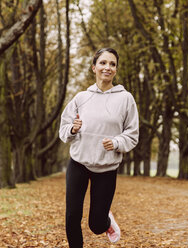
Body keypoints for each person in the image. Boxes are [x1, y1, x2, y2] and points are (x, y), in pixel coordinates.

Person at [59, 47, 139, 247]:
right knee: (72, 216)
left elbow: (132, 133)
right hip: (79, 163)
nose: (107, 67)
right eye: (103, 63)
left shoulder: (125, 98)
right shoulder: (81, 98)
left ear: (116, 70)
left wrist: (116, 142)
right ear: (94, 67)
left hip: (107, 167)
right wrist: (73, 130)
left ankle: (106, 220)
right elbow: (64, 130)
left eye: (112, 64)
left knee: (95, 225)